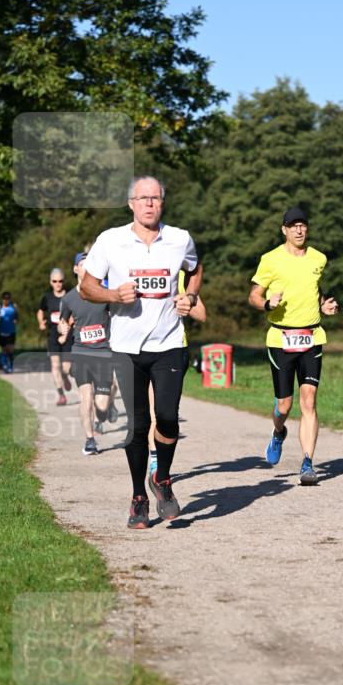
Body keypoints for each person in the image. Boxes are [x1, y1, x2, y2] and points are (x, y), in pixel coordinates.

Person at [81, 176, 202, 528]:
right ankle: (138, 498)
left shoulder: (179, 239)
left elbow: (195, 270)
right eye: (142, 198)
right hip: (125, 347)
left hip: (168, 343)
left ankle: (161, 478)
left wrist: (190, 297)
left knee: (166, 417)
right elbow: (87, 286)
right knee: (138, 425)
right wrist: (112, 296)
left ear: (162, 203)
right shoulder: (111, 240)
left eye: (155, 198)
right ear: (131, 203)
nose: (149, 204)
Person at [248, 205, 338, 485]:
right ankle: (278, 432)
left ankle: (308, 464)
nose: (299, 229)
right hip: (281, 338)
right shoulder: (270, 259)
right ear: (284, 230)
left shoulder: (318, 258)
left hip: (312, 337)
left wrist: (324, 305)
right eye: (293, 225)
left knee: (309, 400)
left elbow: (314, 289)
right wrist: (266, 304)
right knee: (284, 407)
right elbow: (253, 295)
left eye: (303, 225)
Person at [148, 270, 206, 475]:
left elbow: (202, 314)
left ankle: (158, 462)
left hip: (174, 351)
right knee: (151, 411)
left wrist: (184, 303)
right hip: (143, 349)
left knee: (165, 413)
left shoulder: (181, 276)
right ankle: (155, 461)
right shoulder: (137, 268)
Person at [58, 252, 115, 456]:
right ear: (75, 269)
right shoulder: (69, 298)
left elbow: (117, 317)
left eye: (90, 264)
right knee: (86, 397)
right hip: (81, 352)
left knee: (101, 404)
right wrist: (63, 330)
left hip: (103, 353)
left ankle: (105, 411)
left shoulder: (105, 293)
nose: (87, 268)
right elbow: (62, 322)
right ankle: (90, 440)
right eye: (83, 265)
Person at [37, 268, 73, 406]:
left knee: (66, 367)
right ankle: (61, 395)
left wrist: (66, 332)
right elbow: (40, 311)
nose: (58, 284)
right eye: (55, 281)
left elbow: (74, 315)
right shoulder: (47, 298)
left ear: (63, 281)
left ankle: (65, 376)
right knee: (55, 365)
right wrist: (41, 322)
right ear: (50, 282)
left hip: (68, 335)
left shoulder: (70, 296)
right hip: (52, 335)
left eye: (60, 281)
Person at [0, 291, 19, 373]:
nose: (6, 300)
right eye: (5, 299)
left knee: (11, 350)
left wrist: (16, 320)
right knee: (4, 350)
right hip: (1, 332)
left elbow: (17, 317)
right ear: (3, 299)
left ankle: (11, 365)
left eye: (8, 298)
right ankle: (4, 365)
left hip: (11, 331)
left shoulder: (13, 307)